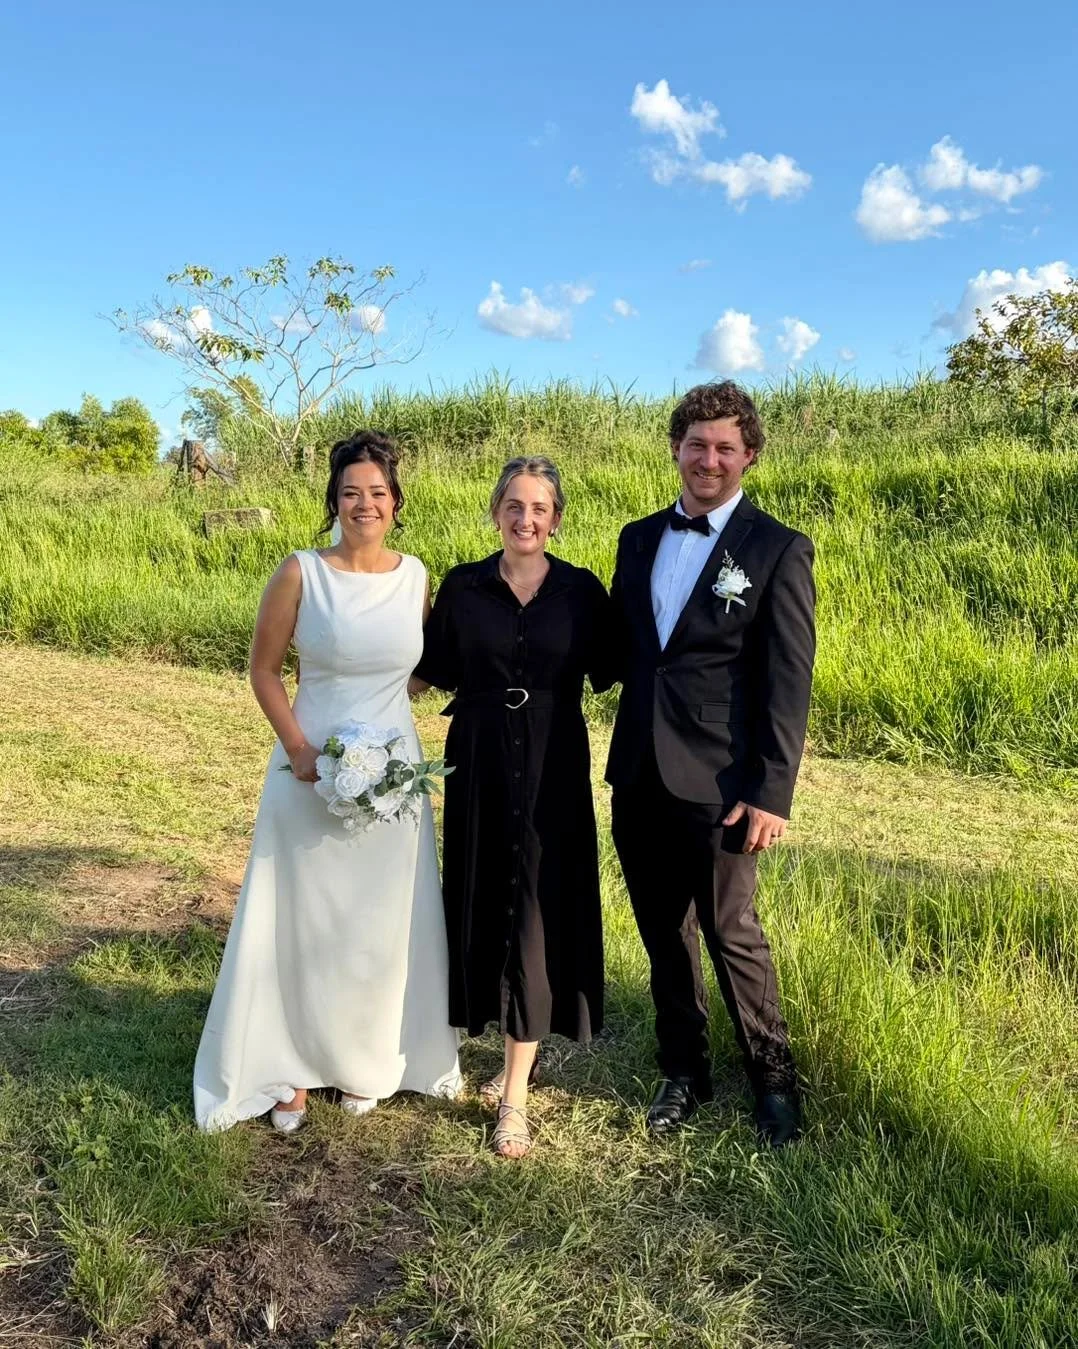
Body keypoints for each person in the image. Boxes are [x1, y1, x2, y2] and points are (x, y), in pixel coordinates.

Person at [193, 431, 461, 1134]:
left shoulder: (416, 576)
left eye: (377, 492)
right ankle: (289, 1069)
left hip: (393, 774)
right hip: (308, 768)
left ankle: (364, 1060)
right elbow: (263, 669)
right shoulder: (300, 572)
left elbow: (421, 666)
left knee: (378, 919)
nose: (364, 504)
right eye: (350, 492)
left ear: (396, 502)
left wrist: (387, 721)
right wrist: (301, 748)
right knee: (300, 914)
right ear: (334, 501)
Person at [606, 382, 815, 1148]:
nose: (709, 458)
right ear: (676, 448)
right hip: (639, 771)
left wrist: (772, 792)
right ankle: (684, 1070)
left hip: (723, 781)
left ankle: (774, 1083)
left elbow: (789, 680)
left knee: (731, 931)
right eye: (697, 444)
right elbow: (620, 645)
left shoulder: (777, 548)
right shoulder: (637, 538)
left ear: (748, 455)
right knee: (664, 930)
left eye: (726, 446)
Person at [412, 456, 616, 1159]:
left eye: (539, 508)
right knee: (484, 896)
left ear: (556, 519)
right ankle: (503, 1048)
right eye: (514, 506)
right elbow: (422, 669)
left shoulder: (581, 591)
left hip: (553, 763)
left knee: (534, 906)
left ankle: (515, 1097)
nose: (525, 519)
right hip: (480, 761)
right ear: (496, 511)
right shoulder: (463, 587)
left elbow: (628, 663)